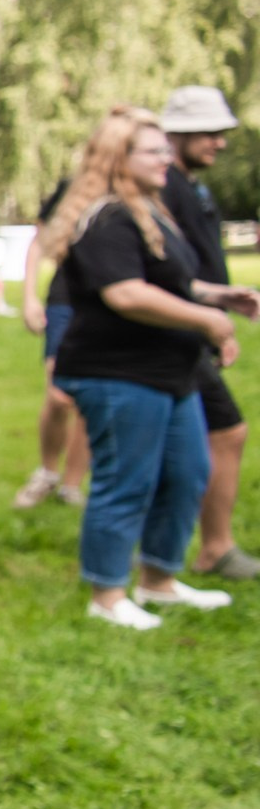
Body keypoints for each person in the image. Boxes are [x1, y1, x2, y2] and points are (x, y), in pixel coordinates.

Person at [36, 106, 255, 629]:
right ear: (119, 157)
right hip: (117, 373)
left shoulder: (150, 209)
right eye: (154, 151)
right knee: (125, 481)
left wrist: (220, 295)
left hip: (167, 370)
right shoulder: (104, 217)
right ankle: (106, 596)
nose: (165, 160)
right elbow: (127, 294)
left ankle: (158, 581)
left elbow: (169, 282)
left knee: (187, 473)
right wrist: (207, 320)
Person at [156, 85, 258, 581]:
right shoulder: (165, 187)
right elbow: (165, 272)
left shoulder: (191, 185)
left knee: (197, 438)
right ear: (179, 132)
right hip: (174, 333)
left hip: (194, 328)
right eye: (210, 132)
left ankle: (168, 551)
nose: (219, 142)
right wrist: (206, 317)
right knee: (222, 432)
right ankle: (210, 548)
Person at [16, 175, 91, 509]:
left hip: (110, 302)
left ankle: (71, 485)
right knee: (59, 396)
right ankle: (47, 472)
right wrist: (30, 296)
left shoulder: (135, 185)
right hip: (66, 298)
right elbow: (38, 241)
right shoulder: (74, 186)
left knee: (91, 399)